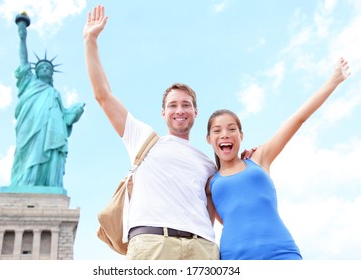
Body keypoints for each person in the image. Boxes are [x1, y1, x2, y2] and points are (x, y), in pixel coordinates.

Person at [83, 4, 222, 260]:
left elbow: (213, 210)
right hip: (154, 244)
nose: (179, 110)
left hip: (202, 248)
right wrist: (90, 40)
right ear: (163, 113)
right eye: (173, 105)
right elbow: (103, 95)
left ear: (195, 112)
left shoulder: (209, 165)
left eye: (185, 105)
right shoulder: (143, 139)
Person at [206, 58, 351, 260]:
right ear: (209, 139)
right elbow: (216, 222)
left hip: (281, 253)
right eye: (217, 131)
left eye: (232, 129)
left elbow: (298, 118)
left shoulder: (259, 158)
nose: (225, 135)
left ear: (241, 136)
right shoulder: (211, 183)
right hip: (235, 259)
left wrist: (334, 80)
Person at [10, 13, 85, 188]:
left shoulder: (54, 93)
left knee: (50, 153)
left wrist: (74, 114)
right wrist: (22, 36)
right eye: (42, 67)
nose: (45, 69)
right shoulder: (29, 82)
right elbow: (23, 60)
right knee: (26, 154)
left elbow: (63, 116)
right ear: (36, 72)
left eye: (48, 68)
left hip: (50, 131)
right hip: (30, 126)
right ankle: (24, 184)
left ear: (52, 74)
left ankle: (46, 184)